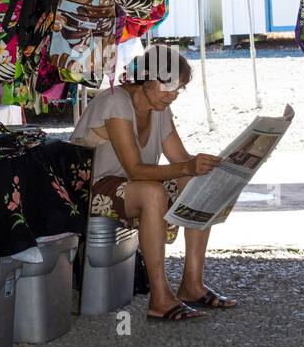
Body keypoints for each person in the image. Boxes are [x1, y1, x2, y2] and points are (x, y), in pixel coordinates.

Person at [70, 43, 236, 321]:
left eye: (178, 88)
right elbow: (135, 170)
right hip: (88, 187)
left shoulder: (159, 109)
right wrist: (187, 166)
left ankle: (192, 284)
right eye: (167, 84)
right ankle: (160, 297)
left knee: (197, 182)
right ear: (145, 76)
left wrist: (220, 168)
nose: (172, 94)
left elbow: (180, 160)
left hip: (126, 186)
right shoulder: (116, 102)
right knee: (152, 192)